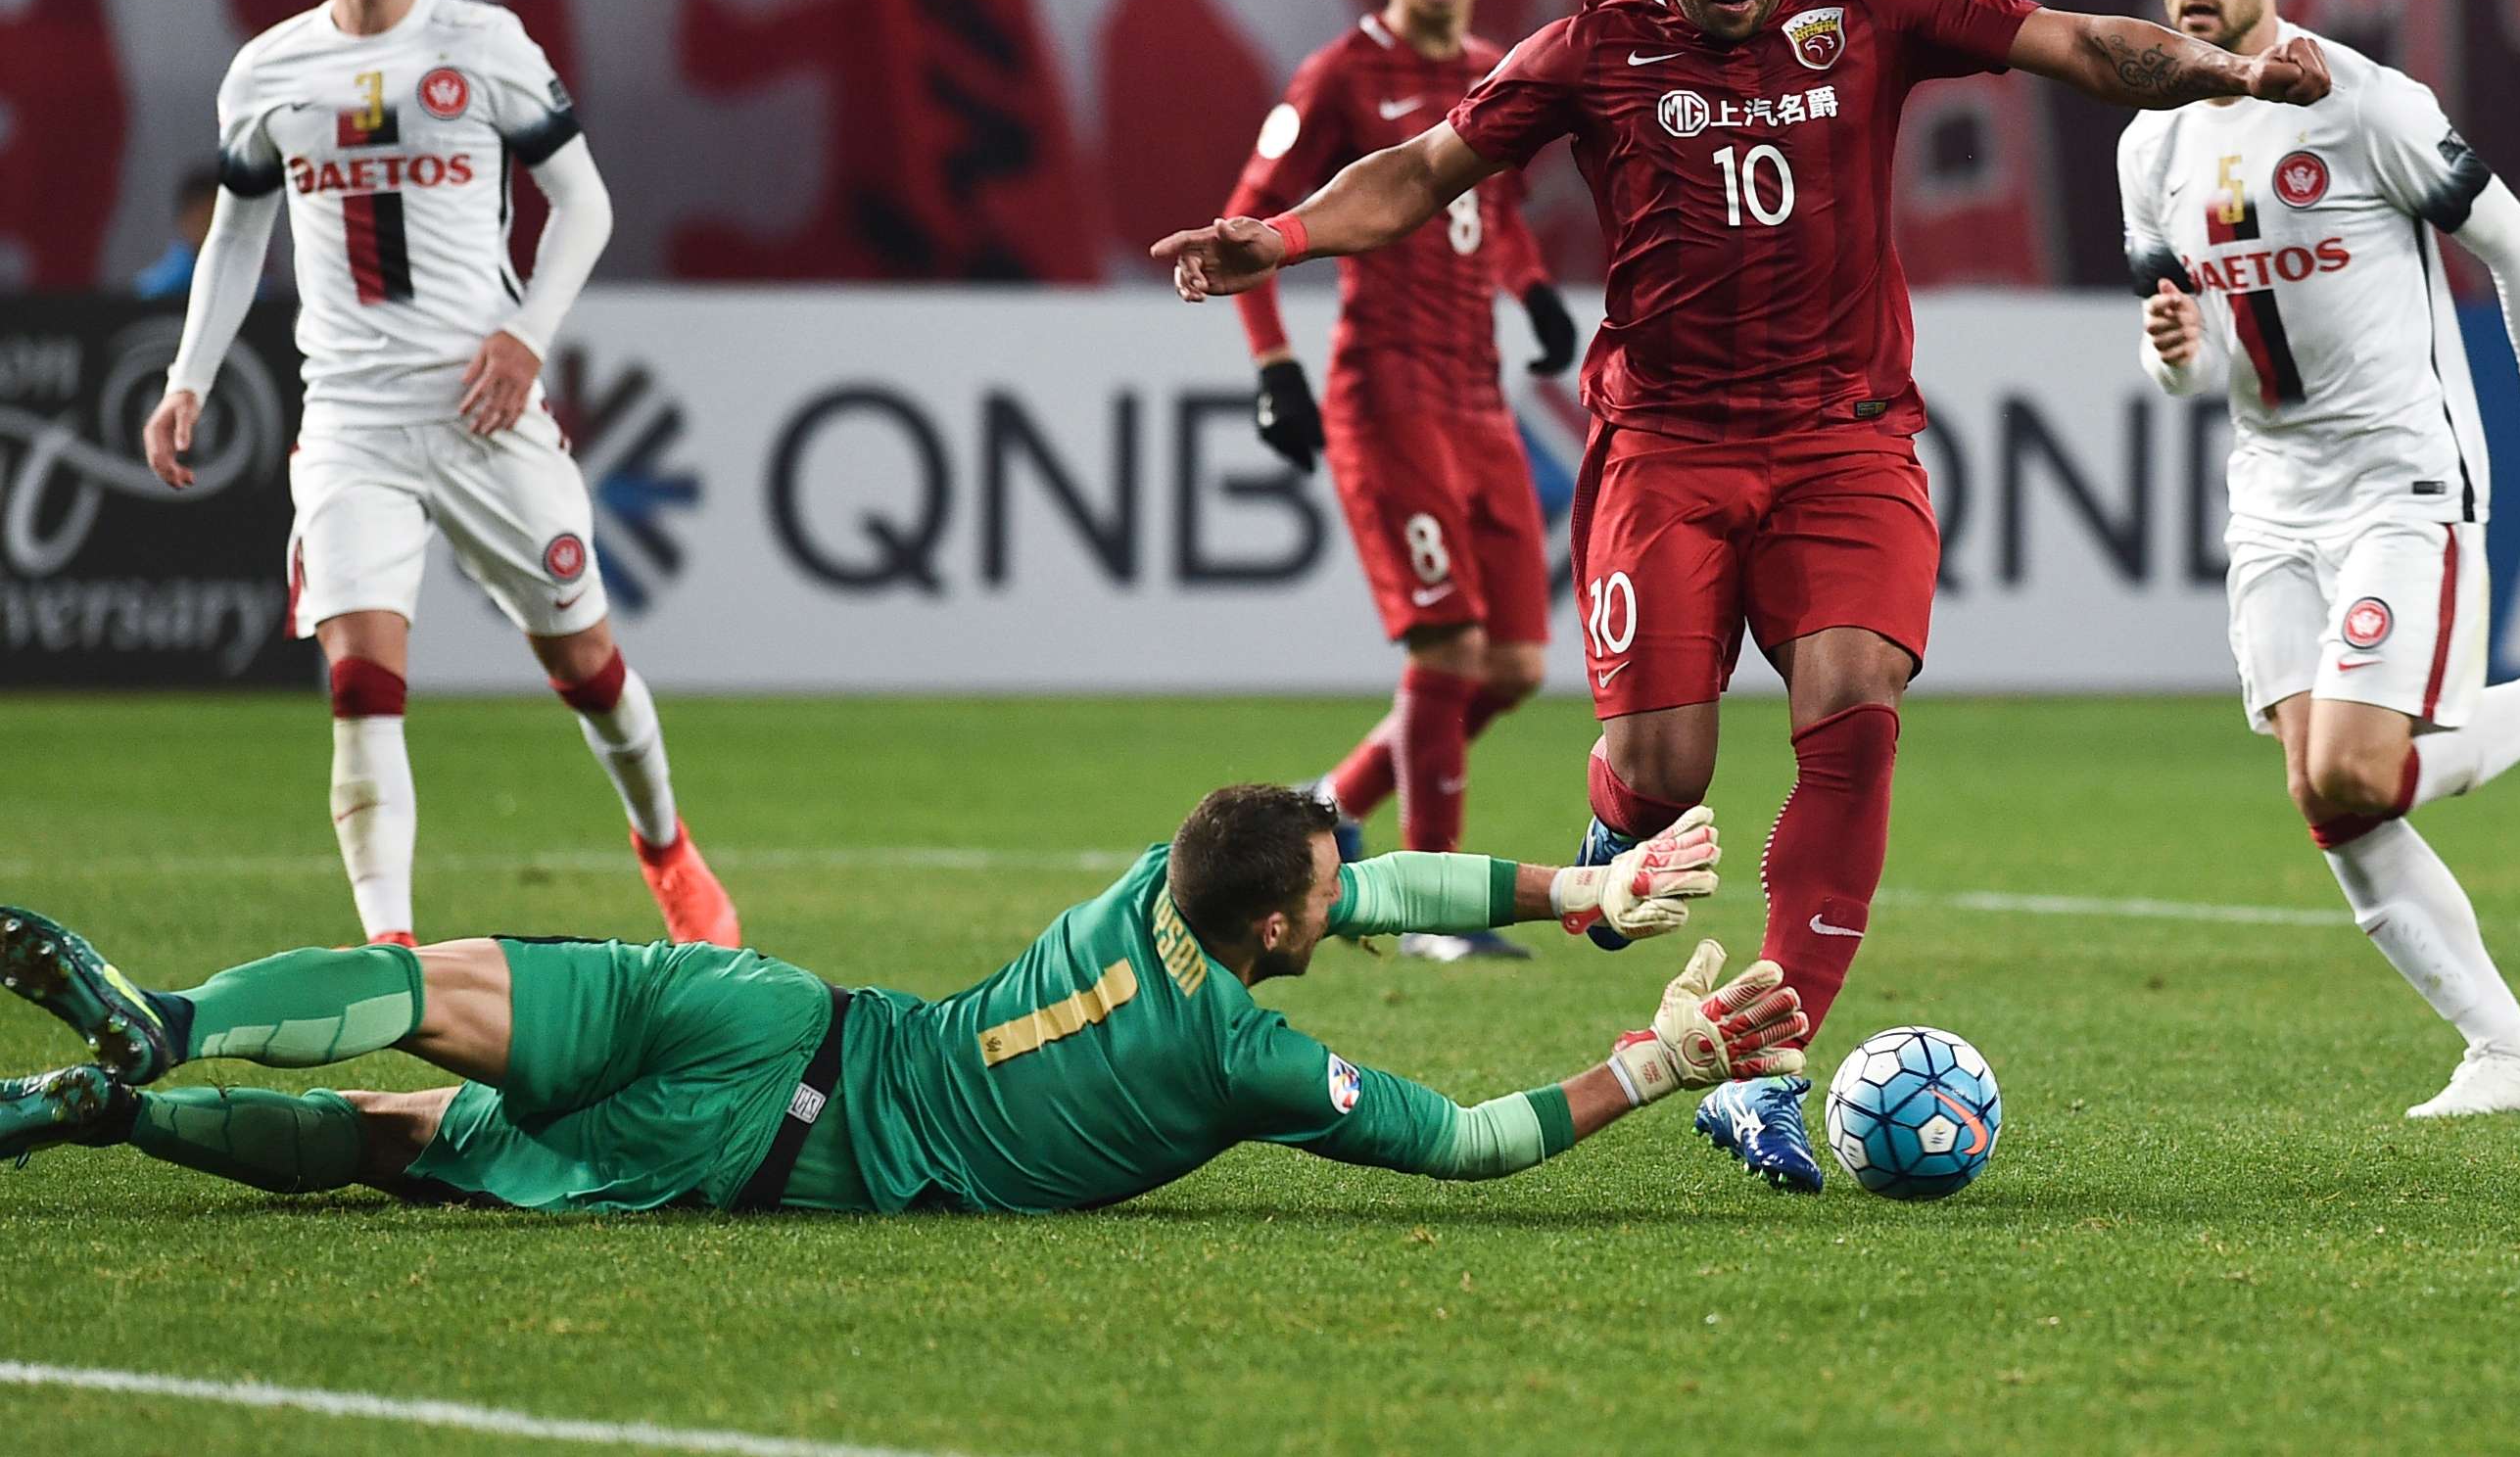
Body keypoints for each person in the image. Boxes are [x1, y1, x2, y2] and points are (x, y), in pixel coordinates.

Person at [1154, 0, 2335, 1190]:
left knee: (1854, 704)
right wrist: (1275, 236)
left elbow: (2077, 44)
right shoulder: (1592, 49)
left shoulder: (1872, 5)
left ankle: (1764, 1062)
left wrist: (2227, 72)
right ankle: (1613, 825)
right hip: (1669, 442)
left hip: (1847, 438)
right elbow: (1422, 171)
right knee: (1669, 774)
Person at [0, 791, 1805, 1213]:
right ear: (1276, 935)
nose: (1358, 896)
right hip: (760, 1145)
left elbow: (1382, 875)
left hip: (763, 1009)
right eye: (1332, 899)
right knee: (410, 1146)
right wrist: (1657, 1058)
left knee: (419, 989)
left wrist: (1588, 888)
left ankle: (163, 1023)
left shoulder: (1151, 879)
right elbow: (1477, 1139)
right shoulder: (1245, 1056)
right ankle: (131, 1115)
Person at [2120, 0, 2520, 1116]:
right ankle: (2512, 1057)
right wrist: (2171, 364)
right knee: (2328, 800)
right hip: (2268, 496)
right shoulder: (2150, 142)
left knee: (2357, 774)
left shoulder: (2364, 101)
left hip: (2397, 479)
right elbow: (2188, 373)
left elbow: (2517, 246)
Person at [139, 0, 736, 953]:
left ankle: (666, 851)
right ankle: (392, 955)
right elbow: (234, 234)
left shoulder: (487, 44)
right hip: (353, 420)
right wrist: (188, 379)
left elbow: (586, 203)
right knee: (362, 682)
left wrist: (525, 337)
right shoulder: (267, 71)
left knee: (589, 668)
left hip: (486, 409)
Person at [1220, 0, 1577, 960]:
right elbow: (1248, 217)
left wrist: (1531, 294)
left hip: (1480, 401)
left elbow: (1500, 209)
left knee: (1515, 664)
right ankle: (1436, 909)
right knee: (1448, 652)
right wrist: (1273, 364)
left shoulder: (1491, 70)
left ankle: (1327, 803)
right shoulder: (1335, 76)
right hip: (1388, 398)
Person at [131, 164, 222, 299]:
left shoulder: (247, 281)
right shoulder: (153, 288)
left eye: (220, 220)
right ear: (184, 220)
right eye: (206, 218)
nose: (213, 228)